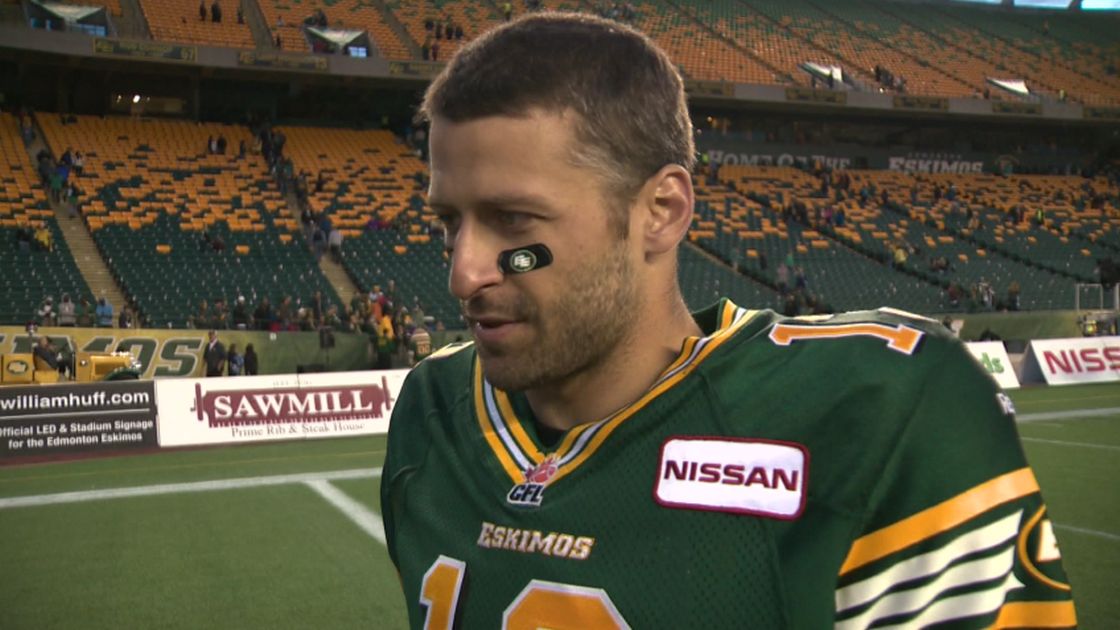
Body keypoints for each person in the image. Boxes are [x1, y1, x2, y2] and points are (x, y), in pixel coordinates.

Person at [379, 13, 1076, 628]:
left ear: (661, 213)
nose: (464, 273)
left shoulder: (882, 411)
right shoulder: (433, 409)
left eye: (513, 222)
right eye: (450, 222)